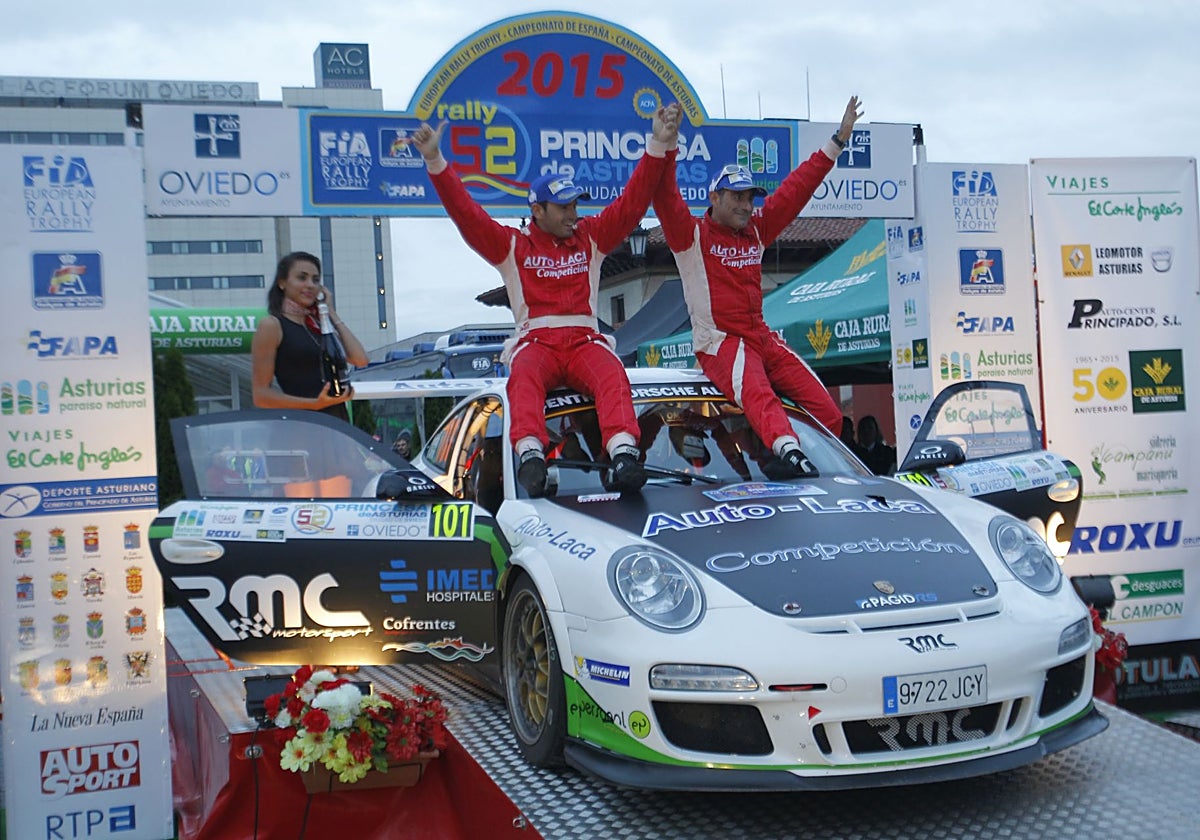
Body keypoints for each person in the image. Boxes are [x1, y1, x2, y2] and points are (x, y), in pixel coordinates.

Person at [412, 105, 682, 497]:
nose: (574, 213)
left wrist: (658, 143)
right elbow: (467, 216)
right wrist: (435, 160)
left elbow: (632, 203)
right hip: (535, 342)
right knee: (522, 376)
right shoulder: (511, 245)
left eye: (576, 204)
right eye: (564, 207)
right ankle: (530, 457)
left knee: (611, 370)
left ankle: (623, 454)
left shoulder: (591, 235)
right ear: (537, 210)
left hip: (584, 341)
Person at [653, 97, 863, 476]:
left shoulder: (756, 231)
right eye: (736, 197)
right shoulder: (691, 236)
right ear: (713, 197)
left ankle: (779, 460)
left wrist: (837, 141)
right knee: (758, 390)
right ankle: (784, 451)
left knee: (828, 413)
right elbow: (666, 198)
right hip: (718, 341)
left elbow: (797, 190)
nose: (746, 205)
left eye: (750, 197)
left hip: (759, 336)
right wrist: (666, 147)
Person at [251, 251, 369, 422]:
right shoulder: (272, 325)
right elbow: (261, 396)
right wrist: (314, 404)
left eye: (315, 280)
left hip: (336, 423)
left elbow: (360, 359)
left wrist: (331, 313)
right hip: (301, 427)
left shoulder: (318, 325)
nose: (310, 285)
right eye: (302, 278)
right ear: (282, 283)